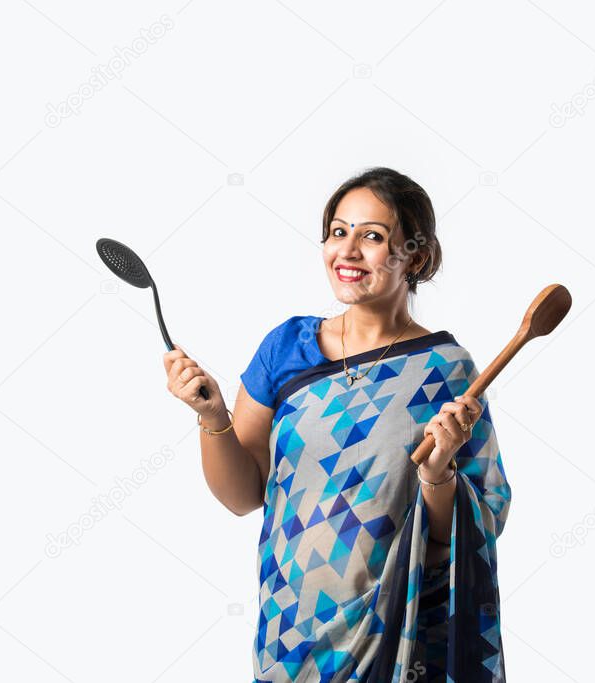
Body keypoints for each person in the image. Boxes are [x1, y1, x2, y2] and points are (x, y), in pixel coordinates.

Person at [162, 167, 511, 682]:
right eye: (338, 232)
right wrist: (213, 417)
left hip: (401, 638)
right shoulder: (286, 348)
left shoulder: (447, 370)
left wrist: (438, 475)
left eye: (372, 236)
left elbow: (470, 527)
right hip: (291, 628)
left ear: (415, 255)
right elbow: (242, 497)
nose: (347, 251)